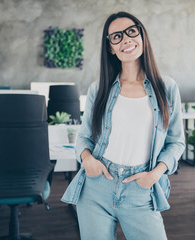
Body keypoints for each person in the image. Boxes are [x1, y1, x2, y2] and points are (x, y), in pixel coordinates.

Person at [62, 11, 185, 240]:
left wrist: (155, 174)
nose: (126, 39)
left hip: (141, 187)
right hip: (97, 186)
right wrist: (87, 160)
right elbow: (84, 138)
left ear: (141, 35)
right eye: (116, 37)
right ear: (110, 47)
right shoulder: (98, 89)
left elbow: (176, 142)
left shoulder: (166, 88)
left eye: (131, 31)